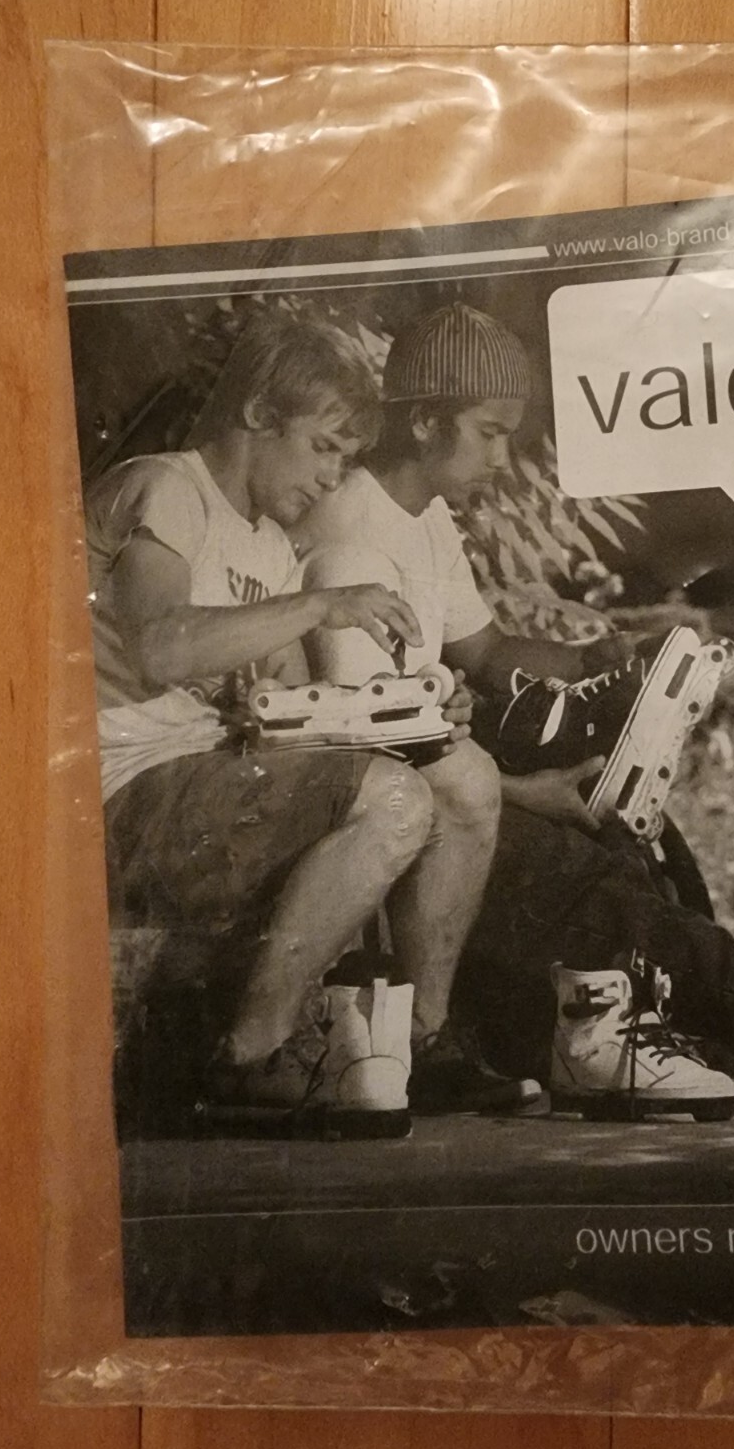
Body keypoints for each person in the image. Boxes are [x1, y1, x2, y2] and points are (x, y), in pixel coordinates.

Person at [293, 302, 734, 1112]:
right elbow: (368, 751)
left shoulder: (422, 516)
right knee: (566, 867)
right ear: (427, 421)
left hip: (444, 772)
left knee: (627, 831)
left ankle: (723, 1014)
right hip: (399, 797)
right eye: (490, 432)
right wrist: (528, 794)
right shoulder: (349, 537)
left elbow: (486, 651)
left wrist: (601, 658)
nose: (502, 457)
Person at [89, 308, 528, 1136]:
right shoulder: (168, 489)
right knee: (391, 801)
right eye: (324, 448)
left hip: (201, 785)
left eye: (345, 459)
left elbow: (299, 716)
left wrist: (423, 710)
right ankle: (251, 1054)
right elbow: (160, 647)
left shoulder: (265, 546)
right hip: (116, 789)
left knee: (435, 780)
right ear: (260, 414)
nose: (331, 479)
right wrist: (322, 605)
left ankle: (410, 1039)